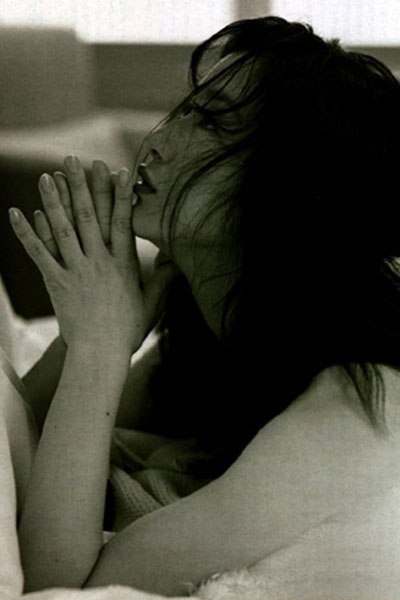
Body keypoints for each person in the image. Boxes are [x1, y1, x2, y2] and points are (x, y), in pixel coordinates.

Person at [9, 15, 400, 597]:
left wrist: (97, 349)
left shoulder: (357, 402)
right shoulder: (213, 317)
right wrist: (89, 331)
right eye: (183, 108)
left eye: (208, 120)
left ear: (287, 188)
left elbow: (62, 581)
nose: (158, 138)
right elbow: (27, 444)